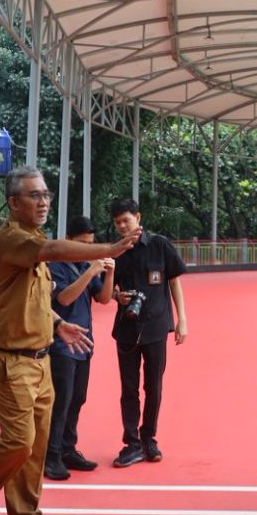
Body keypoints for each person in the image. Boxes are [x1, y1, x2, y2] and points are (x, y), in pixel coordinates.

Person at [0, 167, 135, 515]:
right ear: (14, 203)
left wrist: (59, 323)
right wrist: (108, 250)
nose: (44, 200)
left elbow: (29, 300)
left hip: (39, 357)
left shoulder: (32, 239)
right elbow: (51, 251)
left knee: (34, 448)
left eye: (46, 194)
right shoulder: (13, 239)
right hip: (5, 360)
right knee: (19, 440)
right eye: (34, 195)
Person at [109, 197, 188, 467]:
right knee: (128, 388)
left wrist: (182, 319)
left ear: (138, 218)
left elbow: (174, 282)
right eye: (117, 222)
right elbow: (107, 289)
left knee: (153, 386)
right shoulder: (115, 251)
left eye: (126, 220)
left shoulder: (159, 245)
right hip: (126, 330)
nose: (122, 226)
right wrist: (116, 296)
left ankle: (148, 439)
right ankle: (131, 443)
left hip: (156, 327)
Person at [45, 215, 115, 481]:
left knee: (77, 398)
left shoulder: (87, 264)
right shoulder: (58, 265)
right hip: (62, 343)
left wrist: (109, 272)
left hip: (84, 343)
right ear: (69, 242)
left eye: (90, 243)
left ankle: (67, 448)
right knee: (61, 400)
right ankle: (51, 456)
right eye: (82, 243)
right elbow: (64, 297)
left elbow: (104, 298)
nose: (87, 248)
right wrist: (90, 270)